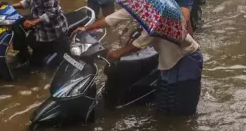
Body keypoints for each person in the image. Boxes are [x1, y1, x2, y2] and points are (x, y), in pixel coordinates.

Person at [75, 9, 203, 116]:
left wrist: (119, 52)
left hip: (185, 58)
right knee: (165, 101)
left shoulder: (159, 16)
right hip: (167, 59)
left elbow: (144, 39)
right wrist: (87, 28)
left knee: (181, 107)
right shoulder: (139, 7)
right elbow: (113, 18)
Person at [10, 0, 69, 66]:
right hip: (40, 29)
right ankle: (23, 53)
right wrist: (11, 6)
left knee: (47, 65)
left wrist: (33, 22)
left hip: (54, 32)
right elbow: (28, 1)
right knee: (16, 24)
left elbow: (52, 13)